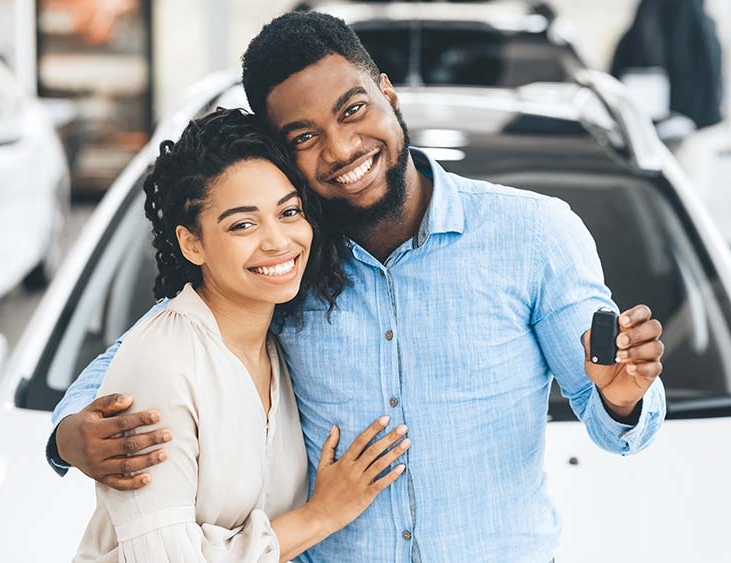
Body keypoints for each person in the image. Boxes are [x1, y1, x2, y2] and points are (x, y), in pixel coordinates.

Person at [49, 11, 666, 563]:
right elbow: (141, 357)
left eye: (352, 110)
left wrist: (621, 398)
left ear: (388, 94)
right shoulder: (281, 263)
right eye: (304, 137)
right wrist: (71, 435)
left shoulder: (534, 233)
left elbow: (613, 420)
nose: (342, 148)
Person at [73, 108, 411, 562]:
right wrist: (322, 514)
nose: (278, 241)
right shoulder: (164, 362)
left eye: (289, 211)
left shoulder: (277, 346)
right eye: (243, 224)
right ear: (193, 243)